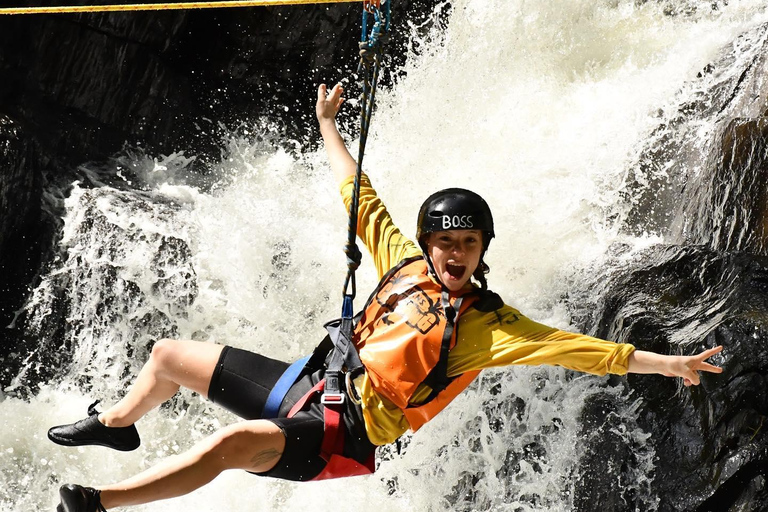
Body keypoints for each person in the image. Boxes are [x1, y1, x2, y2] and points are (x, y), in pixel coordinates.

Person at [48, 83, 724, 512]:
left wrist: (669, 365)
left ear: (484, 249)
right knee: (168, 356)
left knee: (231, 444)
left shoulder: (488, 327)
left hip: (342, 436)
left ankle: (100, 506)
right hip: (308, 385)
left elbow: (583, 354)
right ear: (430, 245)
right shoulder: (403, 263)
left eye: (468, 243)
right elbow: (358, 194)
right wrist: (327, 126)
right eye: (445, 241)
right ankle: (118, 426)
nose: (454, 253)